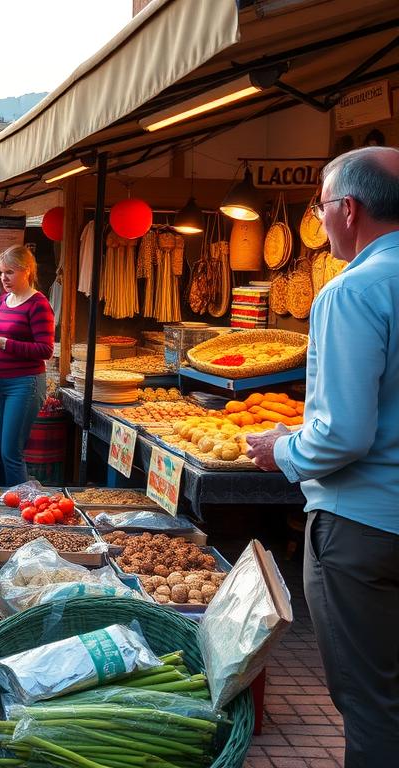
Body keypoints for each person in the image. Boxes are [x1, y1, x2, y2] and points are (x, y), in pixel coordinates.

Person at [245, 146, 399, 767]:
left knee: (370, 703)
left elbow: (343, 436)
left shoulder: (353, 290)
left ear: (349, 209)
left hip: (362, 529)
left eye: (322, 204)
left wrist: (283, 449)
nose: (322, 217)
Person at [0, 245, 54, 486]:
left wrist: (3, 343)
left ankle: (19, 510)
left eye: (9, 272)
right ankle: (0, 498)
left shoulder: (38, 304)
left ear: (26, 271)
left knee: (10, 452)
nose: (3, 278)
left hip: (24, 385)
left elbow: (45, 349)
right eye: (0, 273)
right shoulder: (3, 300)